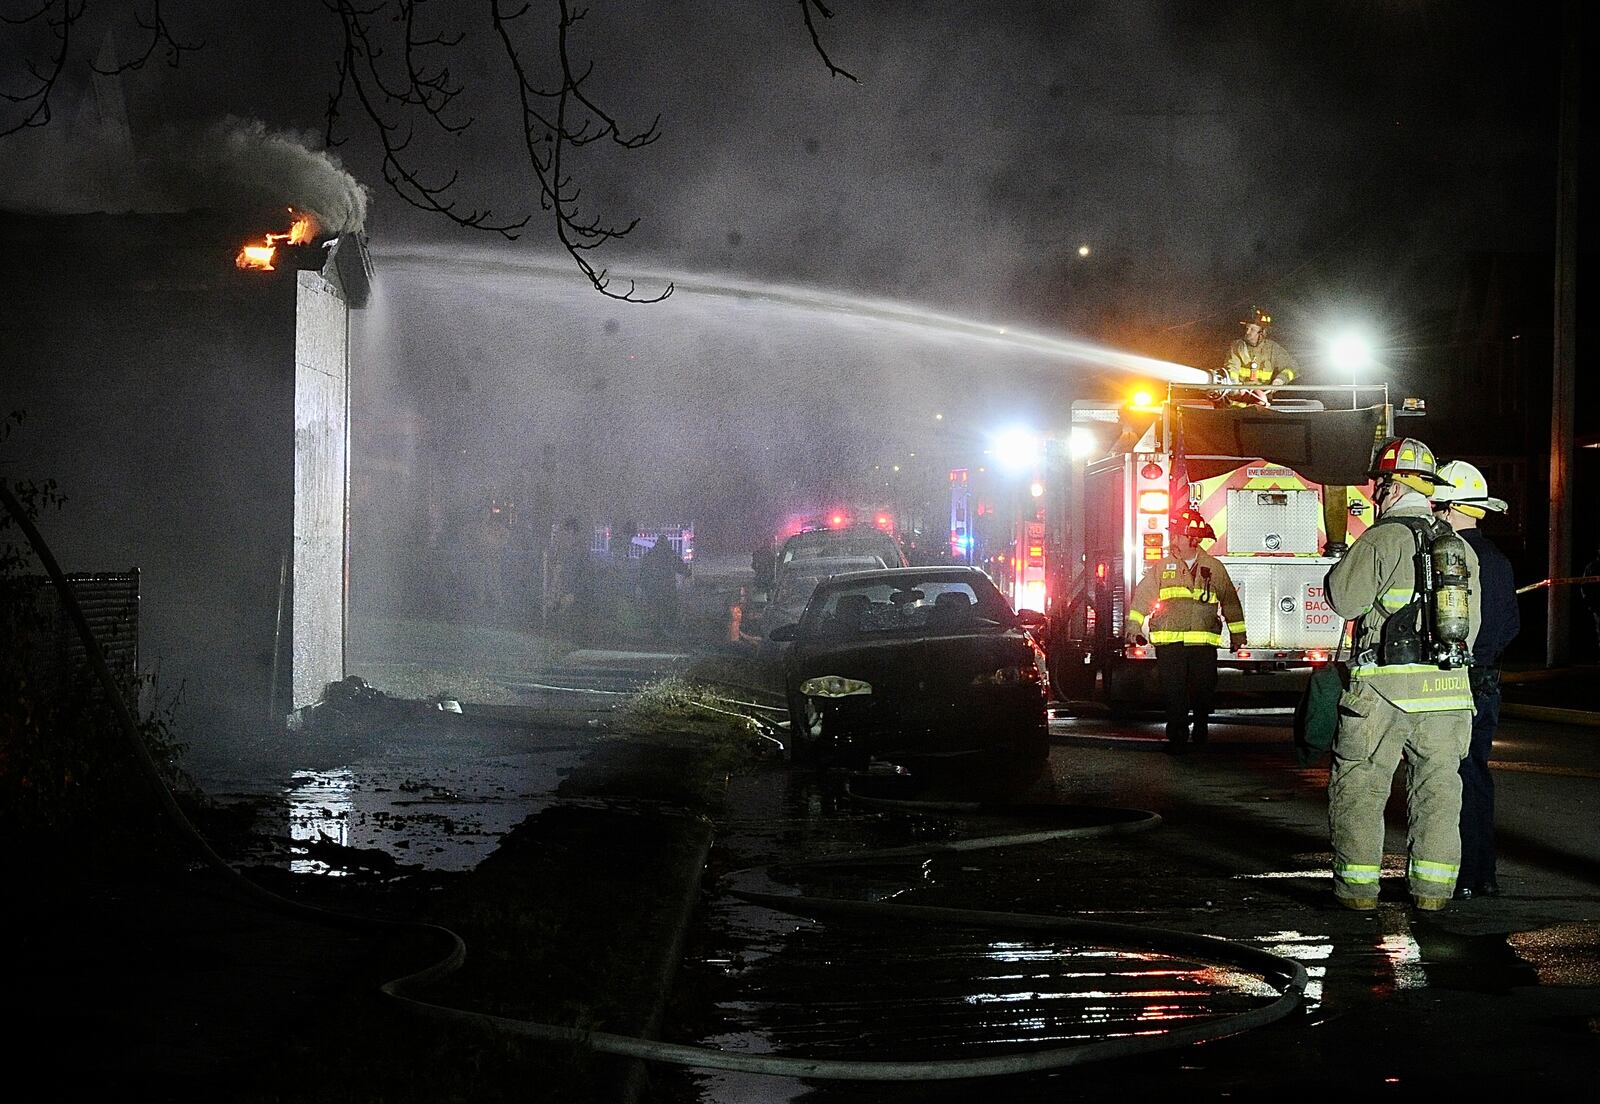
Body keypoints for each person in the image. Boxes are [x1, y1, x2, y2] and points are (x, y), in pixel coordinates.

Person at [1324, 437, 1481, 912]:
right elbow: (1470, 630)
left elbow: (1343, 601)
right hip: (1450, 696)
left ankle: (1358, 896)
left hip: (1384, 694)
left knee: (1361, 789)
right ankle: (1432, 897)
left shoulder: (1382, 538)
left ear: (1389, 488)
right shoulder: (1458, 549)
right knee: (1439, 794)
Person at [1432, 460, 1519, 899]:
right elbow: (1510, 626)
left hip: (1453, 681)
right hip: (1488, 684)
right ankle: (1483, 874)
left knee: (1447, 777)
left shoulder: (1446, 559)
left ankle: (1458, 874)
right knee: (1476, 774)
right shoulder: (1499, 560)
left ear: (1448, 508)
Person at [1125, 508, 1248, 752]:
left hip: (1203, 644)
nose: (1174, 540)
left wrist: (1238, 635)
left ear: (1193, 539)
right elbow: (1142, 599)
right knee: (1173, 691)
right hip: (1170, 643)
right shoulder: (1162, 567)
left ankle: (1201, 725)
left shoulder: (1214, 567)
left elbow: (1230, 601)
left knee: (1204, 689)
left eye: (1179, 535)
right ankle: (1178, 733)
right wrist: (1134, 628)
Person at [1219, 306, 1299, 404]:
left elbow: (1292, 368)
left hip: (1262, 402)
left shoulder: (1273, 349)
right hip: (1237, 402)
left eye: (1252, 329)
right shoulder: (1237, 346)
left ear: (1262, 332)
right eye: (1247, 328)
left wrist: (1280, 380)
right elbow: (1232, 368)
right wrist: (1234, 386)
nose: (1247, 332)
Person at [639, 534, 691, 641]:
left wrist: (643, 586)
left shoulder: (650, 555)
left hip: (653, 590)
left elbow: (642, 572)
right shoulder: (670, 555)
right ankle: (668, 633)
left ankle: (656, 633)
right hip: (668, 589)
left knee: (655, 611)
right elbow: (683, 569)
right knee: (669, 611)